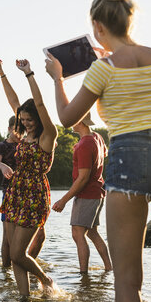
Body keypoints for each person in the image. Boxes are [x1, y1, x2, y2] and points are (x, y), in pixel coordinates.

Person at [45, 0, 151, 302]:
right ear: (131, 22)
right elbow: (143, 74)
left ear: (98, 27)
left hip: (129, 159)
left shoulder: (103, 69)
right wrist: (112, 52)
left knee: (126, 282)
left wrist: (57, 78)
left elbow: (68, 119)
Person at [0, 59, 58, 296]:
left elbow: (40, 103)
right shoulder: (23, 134)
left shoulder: (48, 136)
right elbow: (14, 102)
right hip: (15, 193)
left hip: (33, 196)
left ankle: (45, 279)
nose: (25, 124)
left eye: (29, 120)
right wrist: (2, 73)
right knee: (15, 257)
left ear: (39, 119)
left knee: (18, 254)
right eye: (22, 120)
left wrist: (29, 73)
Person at [52, 113, 112, 273]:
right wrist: (80, 151)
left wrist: (63, 200)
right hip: (98, 192)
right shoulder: (97, 137)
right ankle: (109, 268)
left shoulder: (84, 145)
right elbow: (103, 153)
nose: (69, 122)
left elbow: (83, 178)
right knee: (92, 232)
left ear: (80, 121)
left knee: (78, 233)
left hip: (87, 194)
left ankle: (83, 274)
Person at [0, 116, 46, 267]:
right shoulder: (2, 146)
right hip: (9, 193)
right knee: (7, 238)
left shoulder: (28, 143)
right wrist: (2, 166)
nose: (19, 133)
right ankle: (6, 272)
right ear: (9, 129)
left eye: (21, 130)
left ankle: (24, 262)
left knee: (40, 235)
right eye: (16, 130)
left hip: (30, 193)